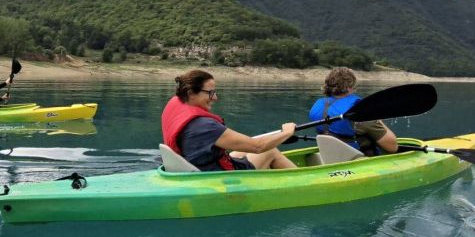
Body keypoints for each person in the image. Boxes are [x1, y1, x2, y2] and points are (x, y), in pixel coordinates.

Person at [161, 69, 298, 171]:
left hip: (196, 163)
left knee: (238, 152)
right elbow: (257, 147)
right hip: (216, 175)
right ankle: (302, 183)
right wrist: (287, 132)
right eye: (210, 93)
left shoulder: (176, 104)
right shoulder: (205, 126)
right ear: (190, 93)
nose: (215, 98)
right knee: (270, 151)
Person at [308, 67, 398, 155]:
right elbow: (392, 147)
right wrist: (377, 119)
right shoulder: (360, 113)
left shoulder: (317, 107)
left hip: (330, 156)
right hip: (357, 159)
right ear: (348, 87)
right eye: (353, 86)